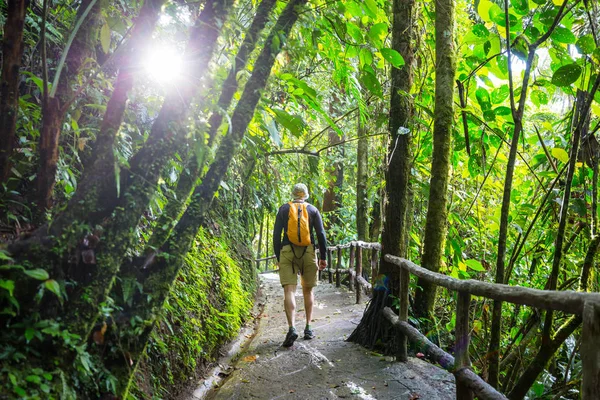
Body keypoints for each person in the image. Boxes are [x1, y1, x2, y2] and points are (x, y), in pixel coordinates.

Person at [273, 183, 328, 347]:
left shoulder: (283, 209)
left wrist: (279, 255)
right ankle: (308, 328)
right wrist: (323, 257)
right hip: (308, 252)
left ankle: (292, 328)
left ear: (293, 194)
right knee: (308, 290)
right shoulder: (312, 210)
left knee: (289, 290)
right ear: (306, 194)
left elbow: (276, 235)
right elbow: (321, 234)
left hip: (287, 251)